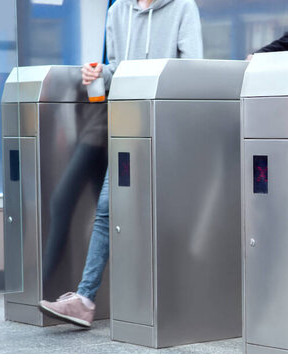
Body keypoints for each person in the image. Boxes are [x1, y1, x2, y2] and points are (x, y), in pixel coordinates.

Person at [38, 0, 203, 328]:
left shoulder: (183, 7)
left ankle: (183, 299)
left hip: (168, 126)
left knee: (161, 213)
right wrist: (100, 72)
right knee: (107, 209)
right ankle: (86, 299)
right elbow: (119, 69)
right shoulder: (117, 13)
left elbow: (192, 69)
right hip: (127, 127)